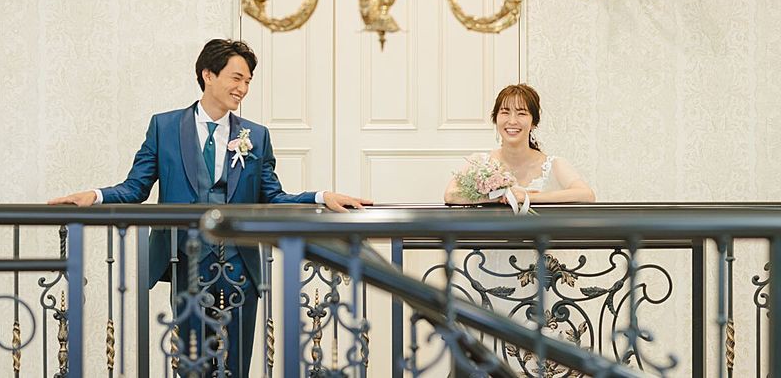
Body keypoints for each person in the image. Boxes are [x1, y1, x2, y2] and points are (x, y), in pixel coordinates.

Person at [49, 38, 370, 376]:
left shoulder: (256, 136)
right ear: (208, 75)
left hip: (240, 263)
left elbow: (273, 196)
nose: (243, 88)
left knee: (236, 365)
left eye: (248, 81)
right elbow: (136, 188)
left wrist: (321, 196)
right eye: (236, 78)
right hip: (186, 260)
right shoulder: (164, 127)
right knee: (192, 365)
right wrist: (95, 196)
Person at [444, 84, 595, 205]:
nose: (512, 121)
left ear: (534, 122)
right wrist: (499, 196)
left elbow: (587, 195)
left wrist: (527, 197)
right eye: (505, 112)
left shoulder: (554, 164)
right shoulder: (479, 161)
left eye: (521, 113)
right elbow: (450, 195)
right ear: (495, 119)